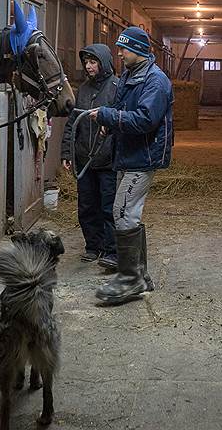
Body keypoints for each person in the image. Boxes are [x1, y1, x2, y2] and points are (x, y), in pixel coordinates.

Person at [88, 26, 173, 305]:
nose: (120, 53)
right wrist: (109, 125)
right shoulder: (129, 75)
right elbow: (123, 110)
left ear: (137, 49)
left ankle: (129, 279)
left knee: (122, 212)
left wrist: (108, 116)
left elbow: (146, 119)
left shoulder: (155, 81)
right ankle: (140, 275)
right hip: (127, 152)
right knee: (129, 212)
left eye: (123, 48)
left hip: (143, 156)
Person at [61, 44, 119, 264]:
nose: (88, 66)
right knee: (86, 205)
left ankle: (110, 248)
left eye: (93, 62)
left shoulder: (116, 87)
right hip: (84, 158)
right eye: (86, 62)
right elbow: (71, 124)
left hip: (107, 159)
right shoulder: (83, 89)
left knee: (108, 205)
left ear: (103, 62)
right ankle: (92, 245)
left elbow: (122, 119)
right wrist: (67, 152)